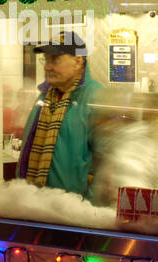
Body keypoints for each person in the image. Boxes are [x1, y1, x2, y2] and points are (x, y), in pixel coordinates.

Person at [16, 32, 104, 198]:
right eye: (46, 60)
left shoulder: (95, 97)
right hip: (38, 204)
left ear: (78, 61)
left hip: (75, 211)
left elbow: (107, 163)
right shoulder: (45, 96)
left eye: (54, 60)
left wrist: (87, 205)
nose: (47, 67)